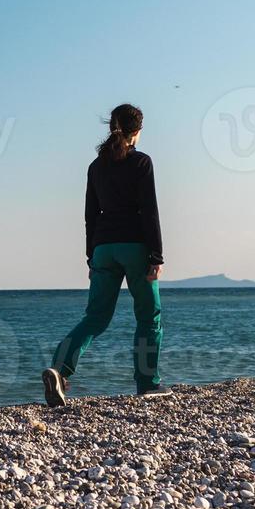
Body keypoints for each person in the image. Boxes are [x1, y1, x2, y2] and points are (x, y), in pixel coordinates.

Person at [43, 104, 169, 405]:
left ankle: (59, 370)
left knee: (95, 317)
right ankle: (147, 383)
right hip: (135, 247)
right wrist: (157, 256)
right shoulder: (141, 162)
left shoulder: (95, 166)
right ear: (137, 131)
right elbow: (149, 210)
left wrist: (91, 256)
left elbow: (90, 214)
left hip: (103, 248)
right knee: (149, 317)